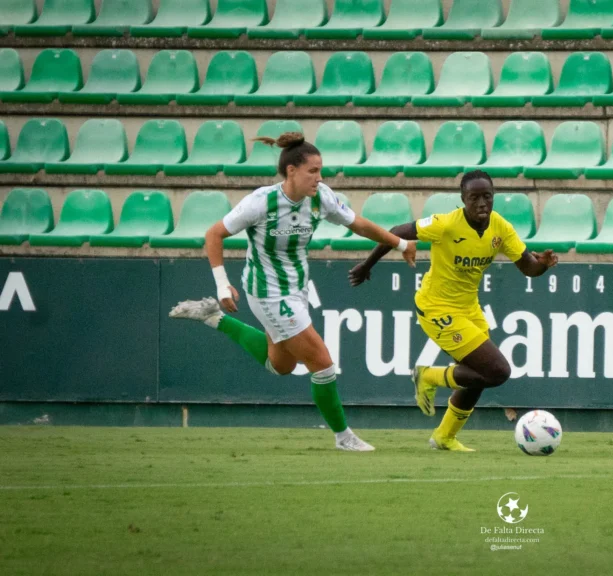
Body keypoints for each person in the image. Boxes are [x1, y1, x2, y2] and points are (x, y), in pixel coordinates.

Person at [169, 132, 417, 451]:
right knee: (322, 362)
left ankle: (213, 318)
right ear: (291, 171)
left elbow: (358, 224)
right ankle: (343, 436)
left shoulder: (320, 196)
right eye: (312, 171)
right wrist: (221, 282)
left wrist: (400, 243)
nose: (319, 177)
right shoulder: (261, 202)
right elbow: (214, 234)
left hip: (296, 288)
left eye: (320, 170)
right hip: (267, 291)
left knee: (281, 366)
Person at [348, 170, 558, 451]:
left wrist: (543, 263)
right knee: (498, 371)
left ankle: (444, 437)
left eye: (487, 196)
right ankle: (428, 376)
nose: (482, 203)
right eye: (475, 198)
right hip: (436, 308)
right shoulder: (445, 224)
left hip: (468, 308)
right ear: (463, 199)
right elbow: (398, 232)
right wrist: (367, 264)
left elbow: (528, 267)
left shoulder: (501, 229)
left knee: (480, 376)